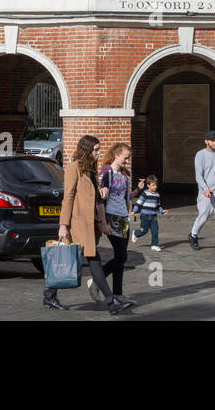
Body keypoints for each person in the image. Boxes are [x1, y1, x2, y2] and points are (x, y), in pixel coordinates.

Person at [46, 134, 133, 314]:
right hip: (76, 223)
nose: (98, 153)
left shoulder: (91, 170)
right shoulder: (74, 168)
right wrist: (63, 225)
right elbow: (68, 197)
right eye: (95, 150)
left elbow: (94, 198)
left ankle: (49, 295)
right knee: (92, 260)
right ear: (86, 150)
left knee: (75, 260)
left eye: (99, 149)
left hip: (89, 223)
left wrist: (101, 193)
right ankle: (111, 302)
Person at [90, 143, 138, 304]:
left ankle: (118, 294)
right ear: (116, 155)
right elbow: (100, 199)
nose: (127, 161)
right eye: (125, 157)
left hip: (123, 217)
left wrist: (138, 190)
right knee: (122, 255)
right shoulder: (106, 172)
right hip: (111, 217)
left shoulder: (124, 174)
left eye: (129, 158)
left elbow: (125, 197)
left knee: (120, 258)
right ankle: (97, 280)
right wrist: (103, 222)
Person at [131, 174, 167, 250]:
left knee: (155, 231)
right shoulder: (145, 193)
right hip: (145, 216)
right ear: (148, 185)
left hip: (153, 216)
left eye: (156, 185)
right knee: (144, 231)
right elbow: (139, 203)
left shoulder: (157, 195)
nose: (155, 187)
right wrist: (134, 211)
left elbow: (158, 206)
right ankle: (136, 233)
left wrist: (161, 211)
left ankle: (154, 245)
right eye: (153, 185)